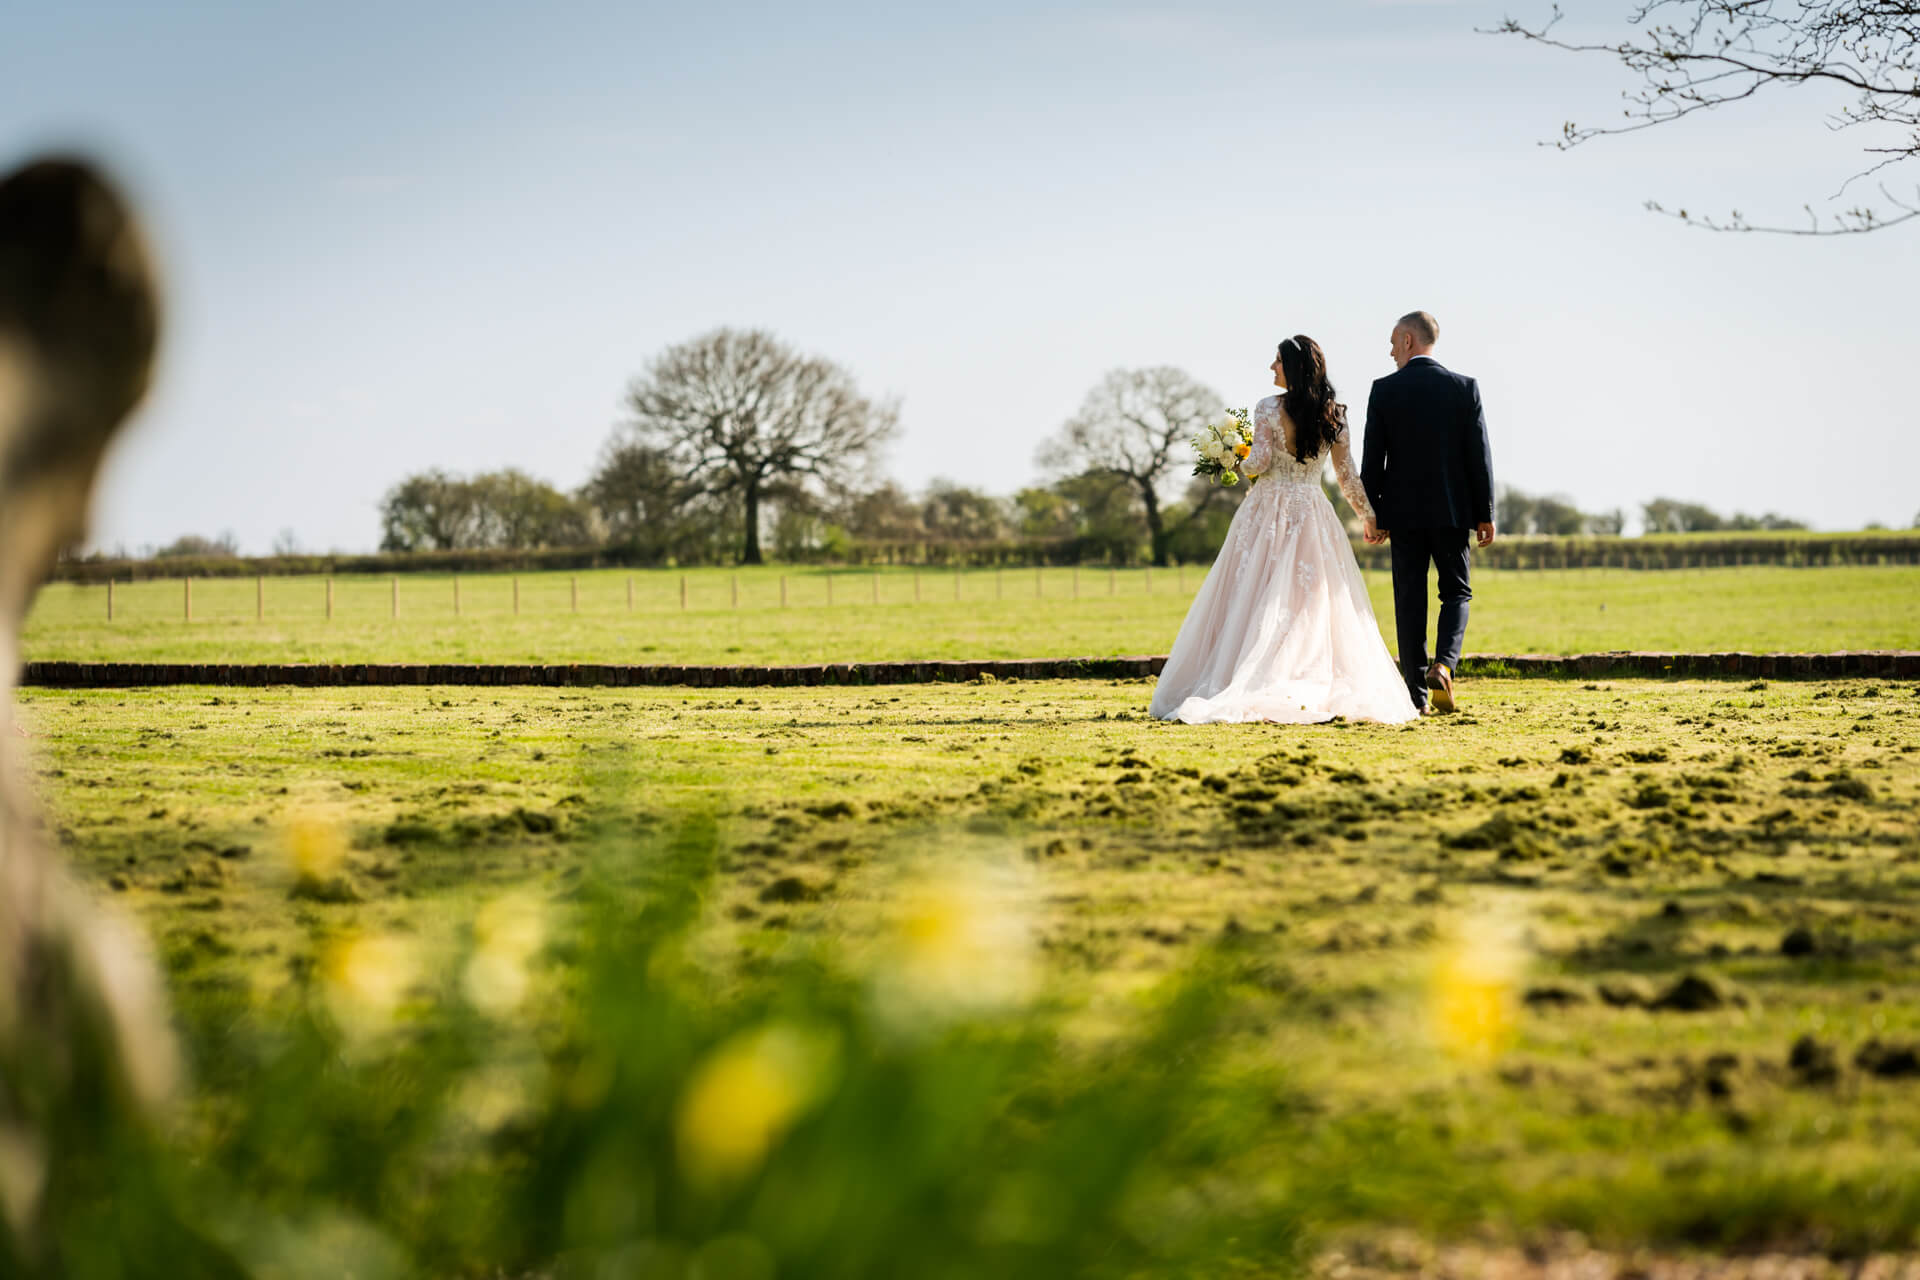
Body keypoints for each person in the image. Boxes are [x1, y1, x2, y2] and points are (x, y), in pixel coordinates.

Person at [1148, 335, 1416, 725]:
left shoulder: (1267, 408)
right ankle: (1300, 672)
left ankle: (1255, 676)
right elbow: (1346, 476)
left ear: (1291, 367)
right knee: (1306, 600)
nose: (1271, 368)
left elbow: (1257, 464)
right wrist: (1368, 516)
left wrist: (1232, 452)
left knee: (1254, 593)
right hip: (1311, 510)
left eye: (1276, 361)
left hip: (1267, 510)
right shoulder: (1335, 414)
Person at [1359, 311, 1495, 715]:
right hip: (1452, 512)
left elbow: (1373, 462)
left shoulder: (1384, 390)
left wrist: (1374, 514)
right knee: (1456, 592)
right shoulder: (1464, 388)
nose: (1389, 351)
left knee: (1409, 600)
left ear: (1407, 341)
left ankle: (1416, 697)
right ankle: (1444, 665)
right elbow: (1479, 457)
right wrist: (1484, 512)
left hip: (1402, 514)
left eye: (1392, 342)